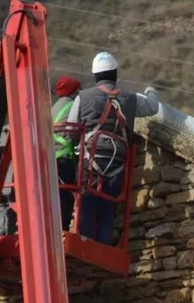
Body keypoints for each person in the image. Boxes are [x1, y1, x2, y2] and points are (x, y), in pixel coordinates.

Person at [66, 52, 159, 245]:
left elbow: (70, 129)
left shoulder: (83, 97)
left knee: (87, 200)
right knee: (109, 203)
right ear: (115, 74)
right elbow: (152, 107)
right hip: (117, 160)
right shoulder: (130, 98)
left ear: (95, 76)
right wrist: (151, 90)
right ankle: (104, 244)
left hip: (90, 159)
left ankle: (84, 242)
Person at [51, 76, 82, 231]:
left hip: (49, 161)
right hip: (64, 160)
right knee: (66, 197)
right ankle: (61, 230)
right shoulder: (73, 107)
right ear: (74, 92)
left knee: (52, 198)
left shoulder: (52, 108)